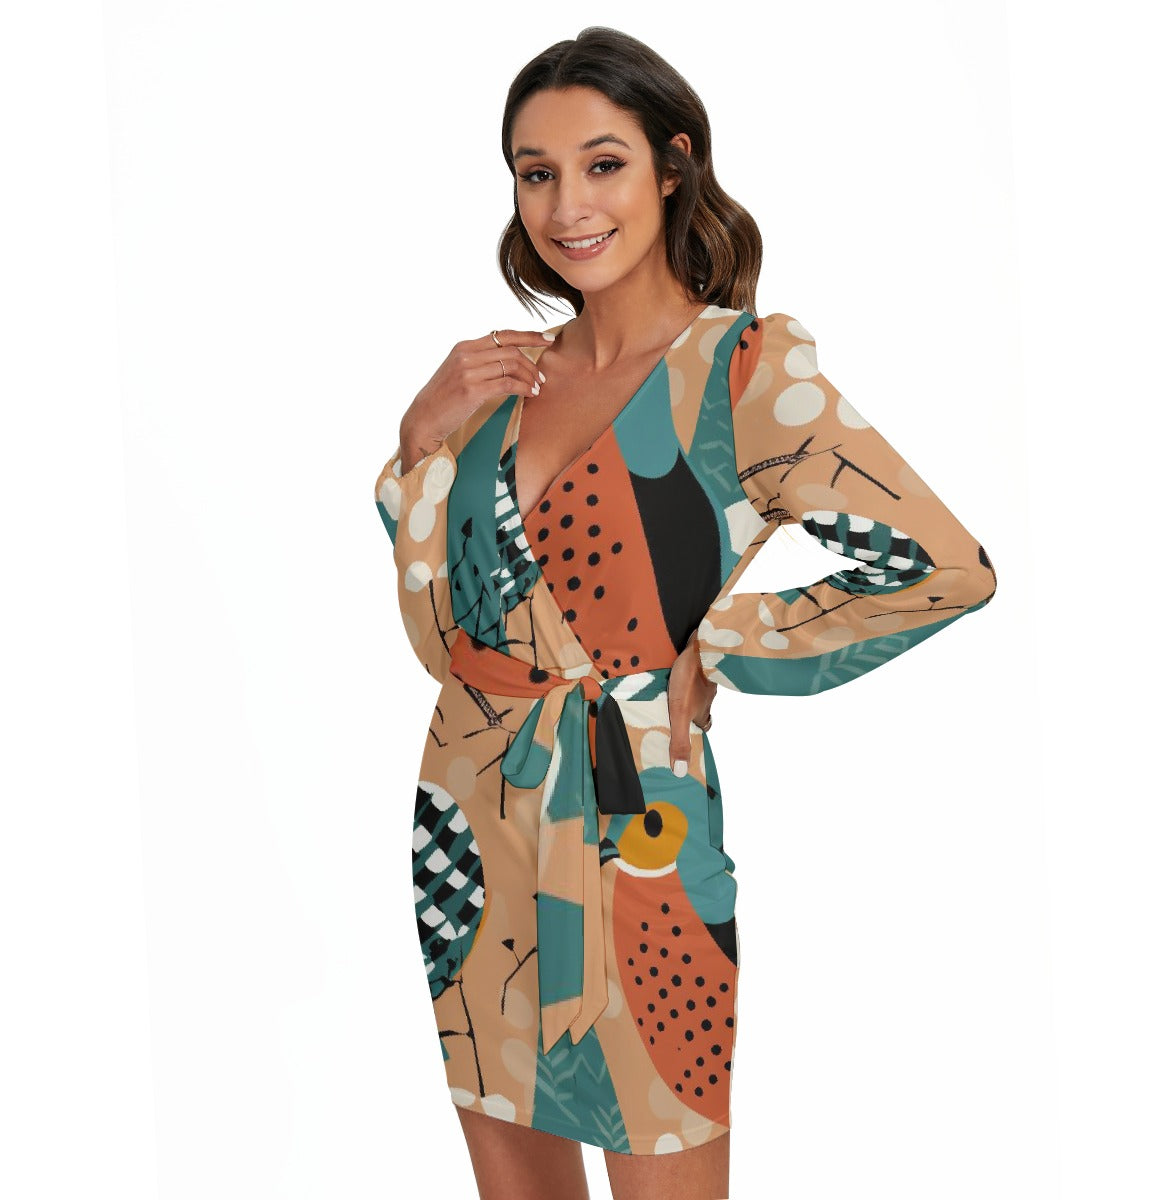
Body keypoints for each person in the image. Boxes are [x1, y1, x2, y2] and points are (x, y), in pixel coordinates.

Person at [373, 26, 997, 1200]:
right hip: (468, 817)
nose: (567, 205)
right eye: (536, 171)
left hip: (635, 823)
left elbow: (942, 565)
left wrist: (727, 648)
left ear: (673, 166)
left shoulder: (745, 370)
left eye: (602, 164)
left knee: (665, 1149)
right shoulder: (500, 383)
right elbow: (444, 646)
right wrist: (419, 444)